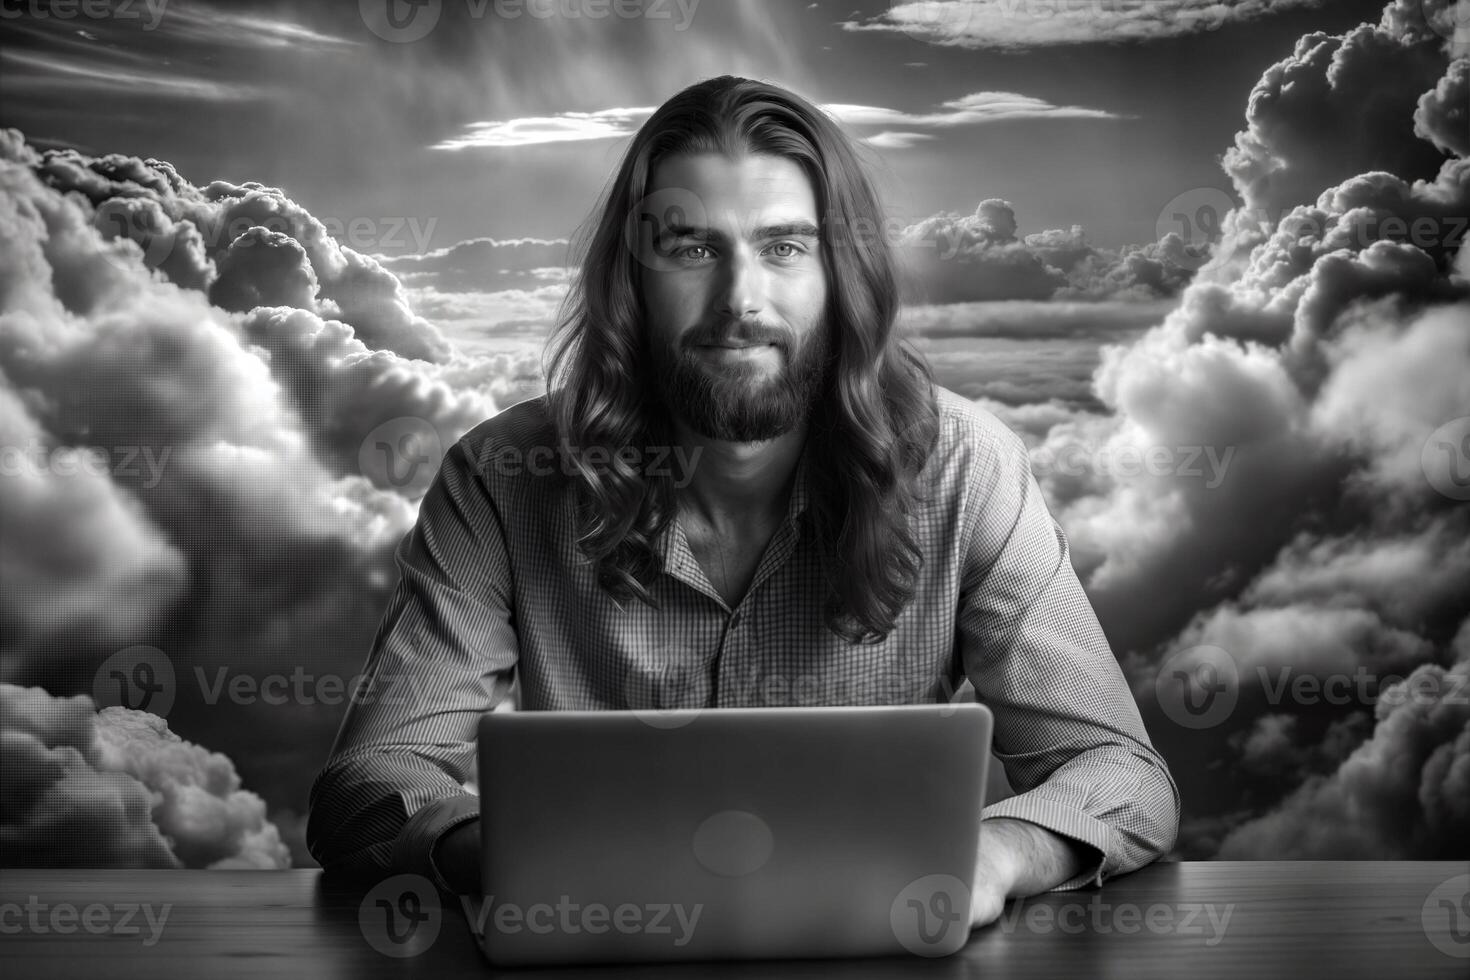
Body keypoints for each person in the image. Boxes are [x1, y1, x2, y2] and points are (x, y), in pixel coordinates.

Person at [307, 75, 1179, 930]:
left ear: (844, 277)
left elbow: (1122, 775)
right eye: (691, 248)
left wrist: (989, 858)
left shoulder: (966, 471)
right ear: (632, 281)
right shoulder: (501, 476)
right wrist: (506, 854)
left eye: (785, 247)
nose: (740, 303)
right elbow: (368, 783)